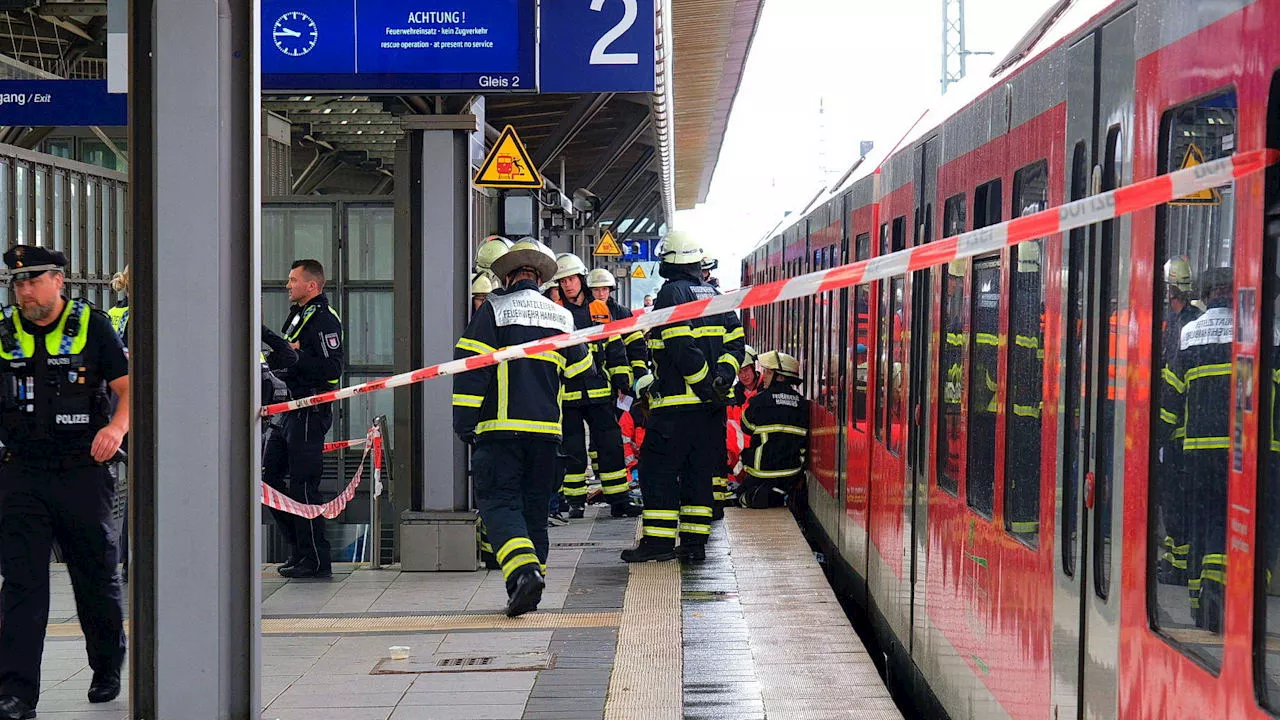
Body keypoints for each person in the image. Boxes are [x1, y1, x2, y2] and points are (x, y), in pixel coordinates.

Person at [0, 245, 130, 717]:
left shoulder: (91, 325)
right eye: (17, 282)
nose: (24, 290)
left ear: (59, 280)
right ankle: (15, 693)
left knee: (94, 575)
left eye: (33, 280)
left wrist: (115, 428)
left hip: (81, 471)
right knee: (21, 583)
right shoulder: (3, 330)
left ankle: (106, 665)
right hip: (21, 472)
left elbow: (127, 385)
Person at [452, 238, 593, 617]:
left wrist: (465, 423)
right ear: (541, 277)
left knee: (499, 502)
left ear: (509, 275)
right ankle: (528, 588)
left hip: (500, 430)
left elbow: (471, 369)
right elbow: (583, 370)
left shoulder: (494, 309)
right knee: (534, 510)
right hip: (547, 434)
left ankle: (524, 572)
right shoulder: (560, 316)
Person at [622, 231, 743, 564]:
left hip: (675, 409)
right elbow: (736, 344)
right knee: (700, 474)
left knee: (658, 472)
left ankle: (659, 543)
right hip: (711, 410)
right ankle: (693, 545)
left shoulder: (670, 294)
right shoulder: (717, 294)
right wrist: (721, 379)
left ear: (669, 262)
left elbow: (679, 345)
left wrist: (703, 384)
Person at [1161, 266, 1233, 633]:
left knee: (1199, 524)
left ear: (1204, 295)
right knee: (1228, 525)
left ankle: (1198, 606)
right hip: (1242, 455)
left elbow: (1171, 395)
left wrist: (1161, 438)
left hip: (1196, 453)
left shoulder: (1189, 333)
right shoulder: (1254, 334)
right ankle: (1229, 602)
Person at [263, 259, 344, 580]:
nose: (287, 285)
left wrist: (295, 356)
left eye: (293, 280)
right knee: (268, 479)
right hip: (289, 409)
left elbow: (331, 369)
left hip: (311, 408)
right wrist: (287, 353)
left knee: (304, 486)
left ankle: (315, 558)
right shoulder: (299, 314)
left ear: (312, 285)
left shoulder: (323, 318)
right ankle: (298, 549)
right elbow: (284, 356)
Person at [554, 253, 641, 519]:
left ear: (580, 279)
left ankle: (619, 500)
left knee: (611, 445)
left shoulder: (599, 309)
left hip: (599, 391)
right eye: (563, 281)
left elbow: (614, 345)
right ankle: (574, 501)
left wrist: (622, 376)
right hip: (567, 394)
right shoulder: (557, 312)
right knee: (572, 448)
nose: (568, 285)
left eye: (571, 279)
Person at [1155, 256, 1201, 584]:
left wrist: (1162, 430)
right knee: (1173, 500)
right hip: (1186, 431)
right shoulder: (1185, 319)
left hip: (1178, 433)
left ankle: (1180, 567)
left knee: (1176, 502)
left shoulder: (1181, 325)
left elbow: (1173, 383)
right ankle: (1172, 559)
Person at [738, 351, 809, 510]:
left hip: (762, 471)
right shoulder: (803, 404)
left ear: (780, 377)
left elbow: (746, 427)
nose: (764, 376)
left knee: (741, 495)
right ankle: (777, 494)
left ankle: (762, 496)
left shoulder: (758, 401)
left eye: (769, 372)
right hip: (791, 472)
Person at [107, 266, 131, 580]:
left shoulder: (113, 314)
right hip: (137, 409)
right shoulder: (151, 314)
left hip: (113, 411)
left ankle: (127, 557)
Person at [587, 268, 649, 383]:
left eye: (604, 289)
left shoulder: (622, 312)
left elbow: (636, 344)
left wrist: (639, 371)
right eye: (596, 290)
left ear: (610, 290)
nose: (601, 294)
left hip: (624, 371)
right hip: (597, 372)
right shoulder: (585, 313)